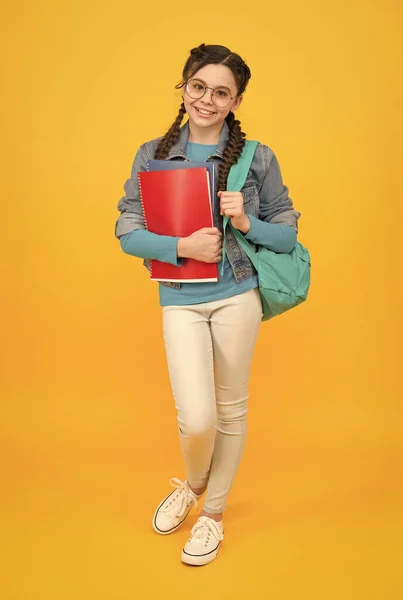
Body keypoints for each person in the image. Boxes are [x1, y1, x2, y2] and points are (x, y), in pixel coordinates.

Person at [114, 43, 300, 566]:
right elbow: (126, 228)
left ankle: (212, 515)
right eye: (199, 87)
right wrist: (181, 248)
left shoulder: (256, 157)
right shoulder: (152, 154)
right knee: (197, 419)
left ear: (236, 100)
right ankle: (194, 484)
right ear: (184, 86)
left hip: (237, 295)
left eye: (222, 92)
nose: (207, 100)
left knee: (231, 409)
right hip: (179, 297)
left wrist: (247, 223)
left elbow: (286, 236)